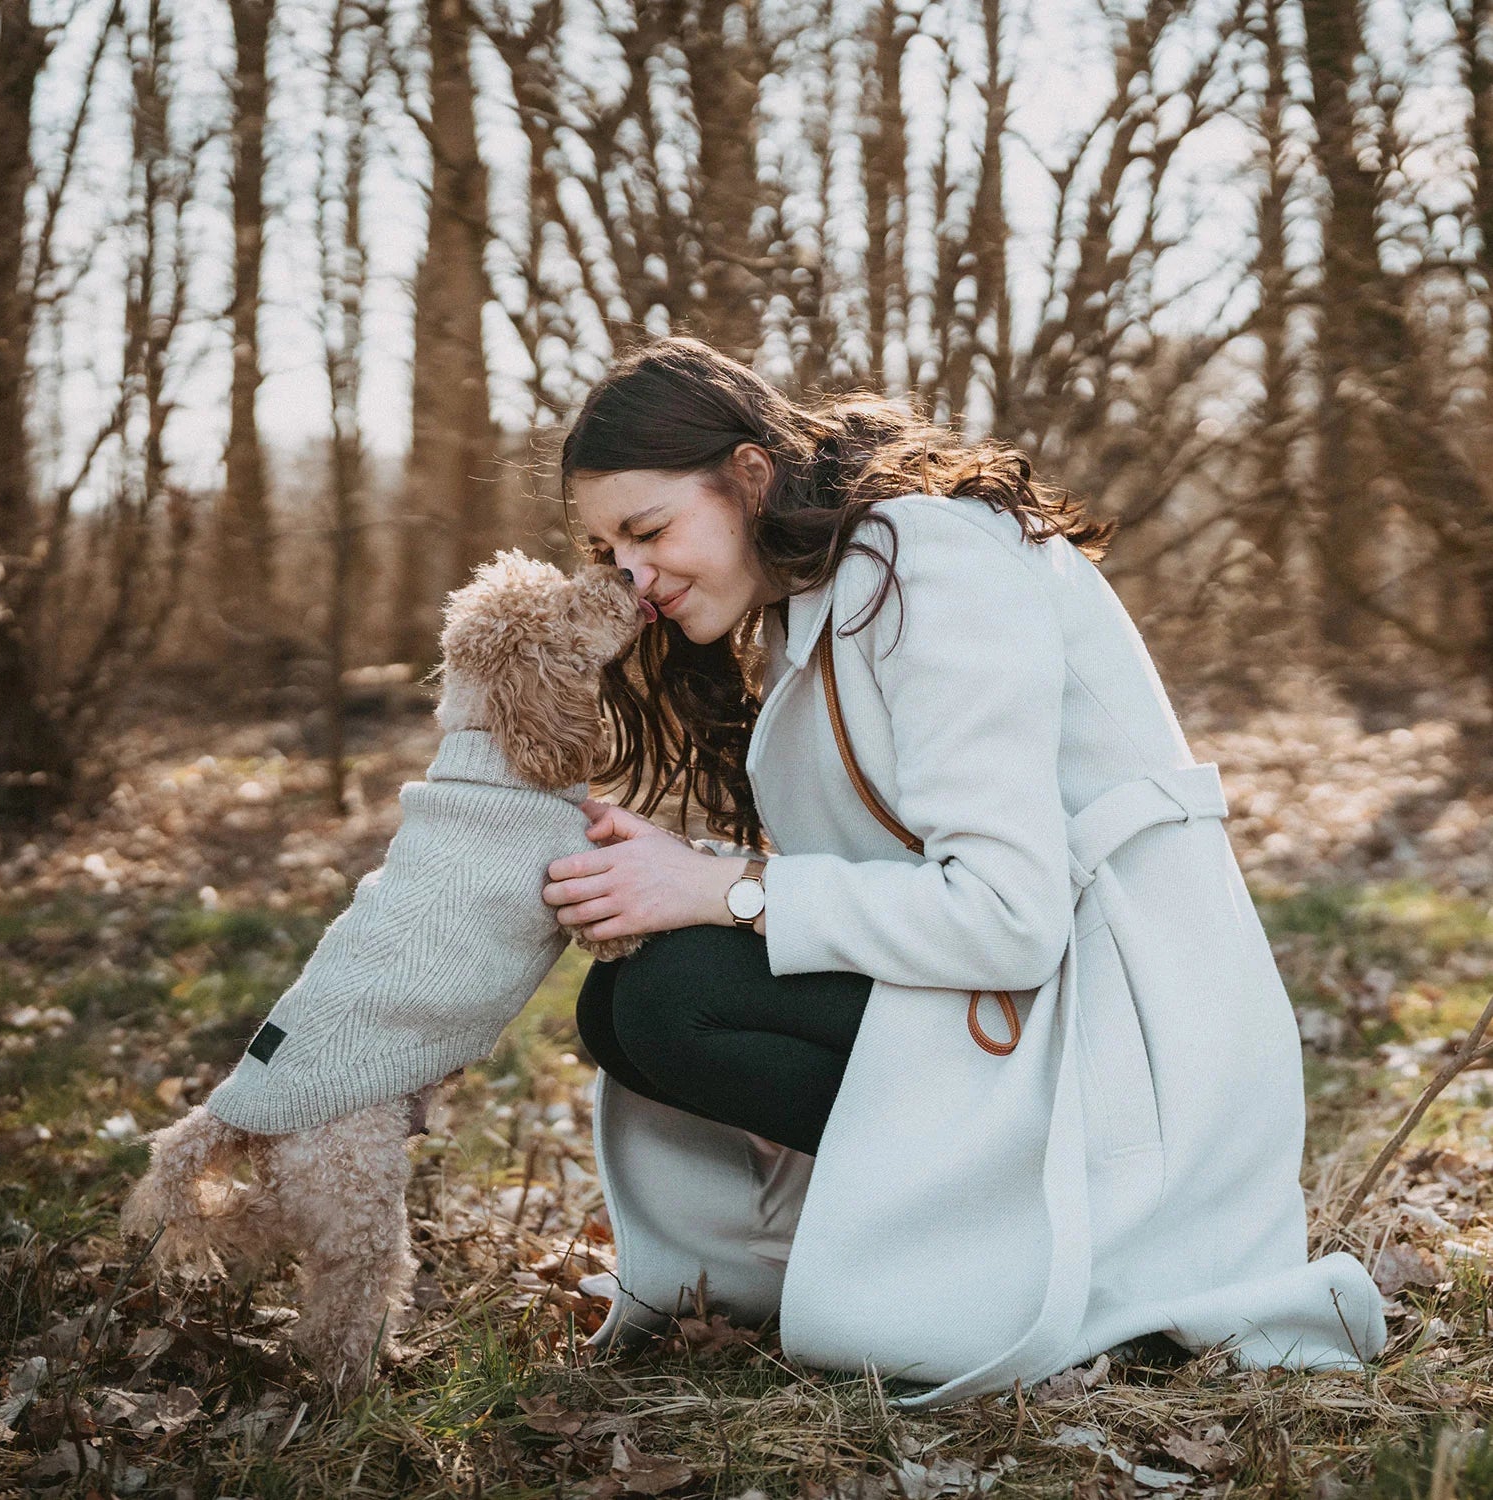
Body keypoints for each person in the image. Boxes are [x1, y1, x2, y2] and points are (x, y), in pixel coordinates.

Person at [539, 335, 1385, 1410]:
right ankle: (887, 1241)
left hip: (1123, 1040)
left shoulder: (924, 557)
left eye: (650, 531)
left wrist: (728, 890)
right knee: (623, 1002)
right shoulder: (812, 608)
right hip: (1029, 1009)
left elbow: (1008, 916)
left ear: (748, 474)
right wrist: (686, 878)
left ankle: (1008, 1239)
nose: (632, 576)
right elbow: (888, 882)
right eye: (610, 548)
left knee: (674, 997)